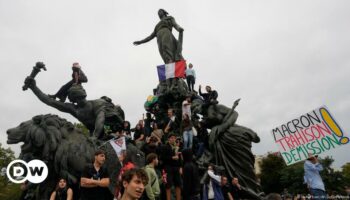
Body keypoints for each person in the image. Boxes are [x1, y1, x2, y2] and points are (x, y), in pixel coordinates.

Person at [24, 77, 124, 140]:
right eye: (77, 99)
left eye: (81, 98)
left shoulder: (97, 103)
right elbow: (50, 101)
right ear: (74, 100)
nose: (80, 101)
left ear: (84, 95)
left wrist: (95, 137)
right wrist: (34, 88)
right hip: (93, 134)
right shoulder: (74, 109)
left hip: (108, 130)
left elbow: (100, 119)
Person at [160, 133, 182, 200]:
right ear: (168, 139)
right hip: (167, 167)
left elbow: (179, 158)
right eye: (172, 138)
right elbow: (162, 157)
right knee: (168, 186)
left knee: (178, 184)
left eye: (174, 138)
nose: (173, 139)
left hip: (176, 167)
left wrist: (181, 167)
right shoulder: (164, 147)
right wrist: (172, 157)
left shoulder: (177, 147)